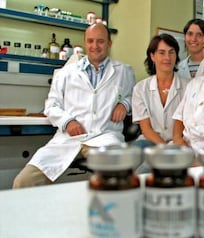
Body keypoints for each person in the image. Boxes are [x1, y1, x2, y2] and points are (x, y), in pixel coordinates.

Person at [13, 23, 136, 188]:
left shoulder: (124, 71)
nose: (95, 46)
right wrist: (67, 121)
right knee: (23, 182)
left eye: (100, 41)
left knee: (120, 179)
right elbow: (51, 105)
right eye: (90, 41)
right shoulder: (66, 72)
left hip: (104, 138)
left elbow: (134, 96)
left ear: (109, 43)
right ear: (85, 42)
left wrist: (125, 104)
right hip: (67, 141)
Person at [132, 34, 189, 148]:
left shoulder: (189, 86)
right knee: (135, 154)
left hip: (179, 142)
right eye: (162, 53)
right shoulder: (140, 88)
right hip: (150, 141)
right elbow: (146, 128)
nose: (167, 58)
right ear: (152, 56)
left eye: (171, 52)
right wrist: (164, 149)